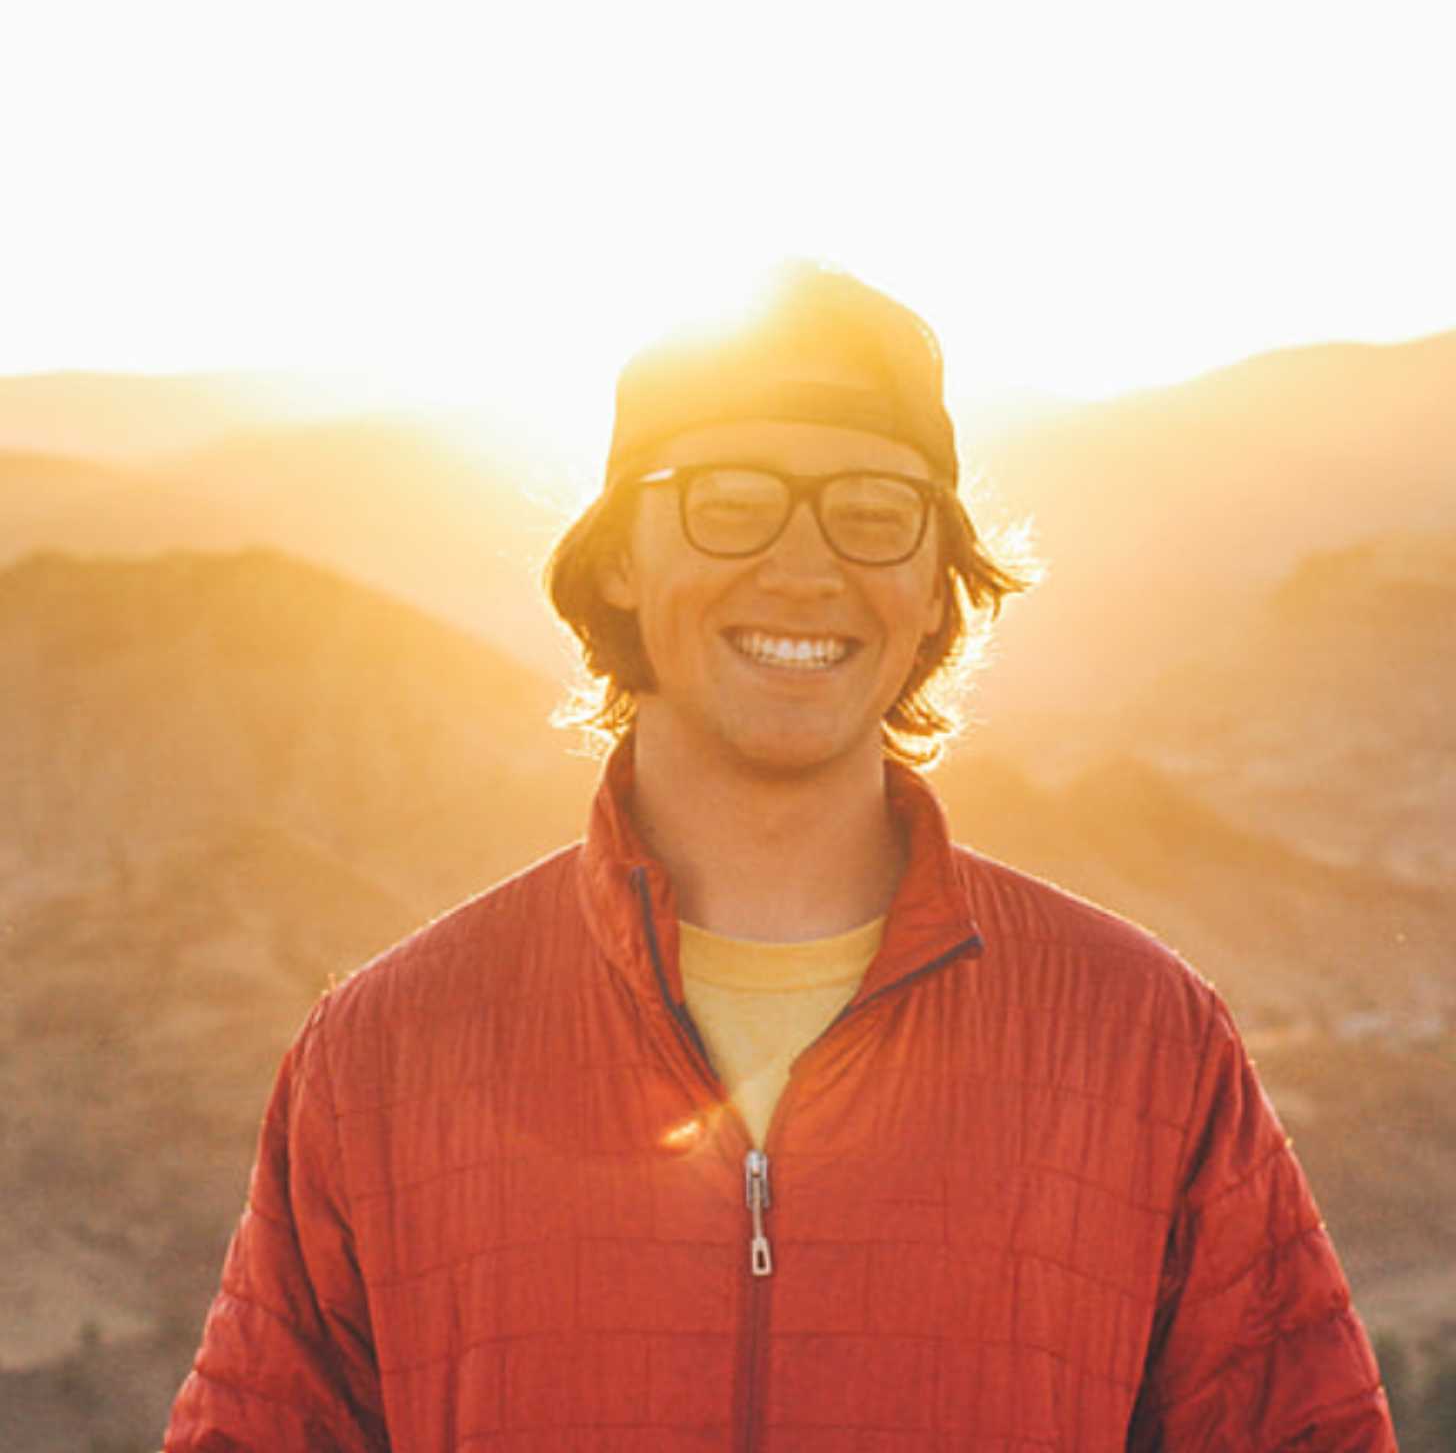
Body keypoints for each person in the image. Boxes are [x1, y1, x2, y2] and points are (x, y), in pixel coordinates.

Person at [166, 261, 1395, 1449]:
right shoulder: (388, 1053)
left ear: (935, 585)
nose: (805, 570)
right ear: (618, 560)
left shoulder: (1140, 1044)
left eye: (873, 515)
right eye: (730, 501)